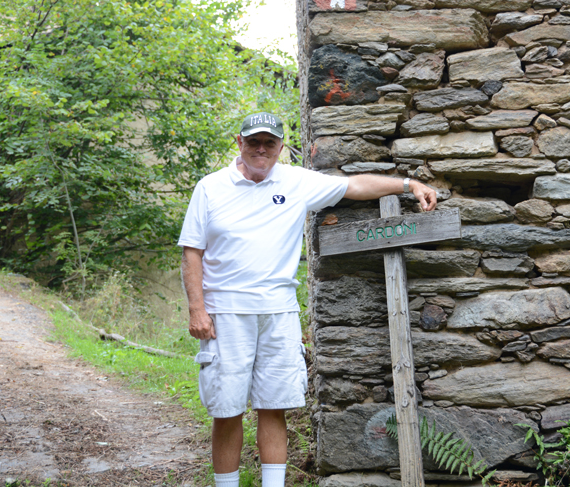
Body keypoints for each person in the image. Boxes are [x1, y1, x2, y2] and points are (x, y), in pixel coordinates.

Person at [178, 112, 436, 487]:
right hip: (225, 314)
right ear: (239, 142)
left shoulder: (296, 181)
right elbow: (191, 252)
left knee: (274, 406)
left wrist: (408, 184)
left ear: (282, 146)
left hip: (278, 312)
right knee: (227, 409)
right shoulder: (210, 187)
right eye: (254, 141)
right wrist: (197, 309)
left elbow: (355, 186)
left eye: (270, 142)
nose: (261, 149)